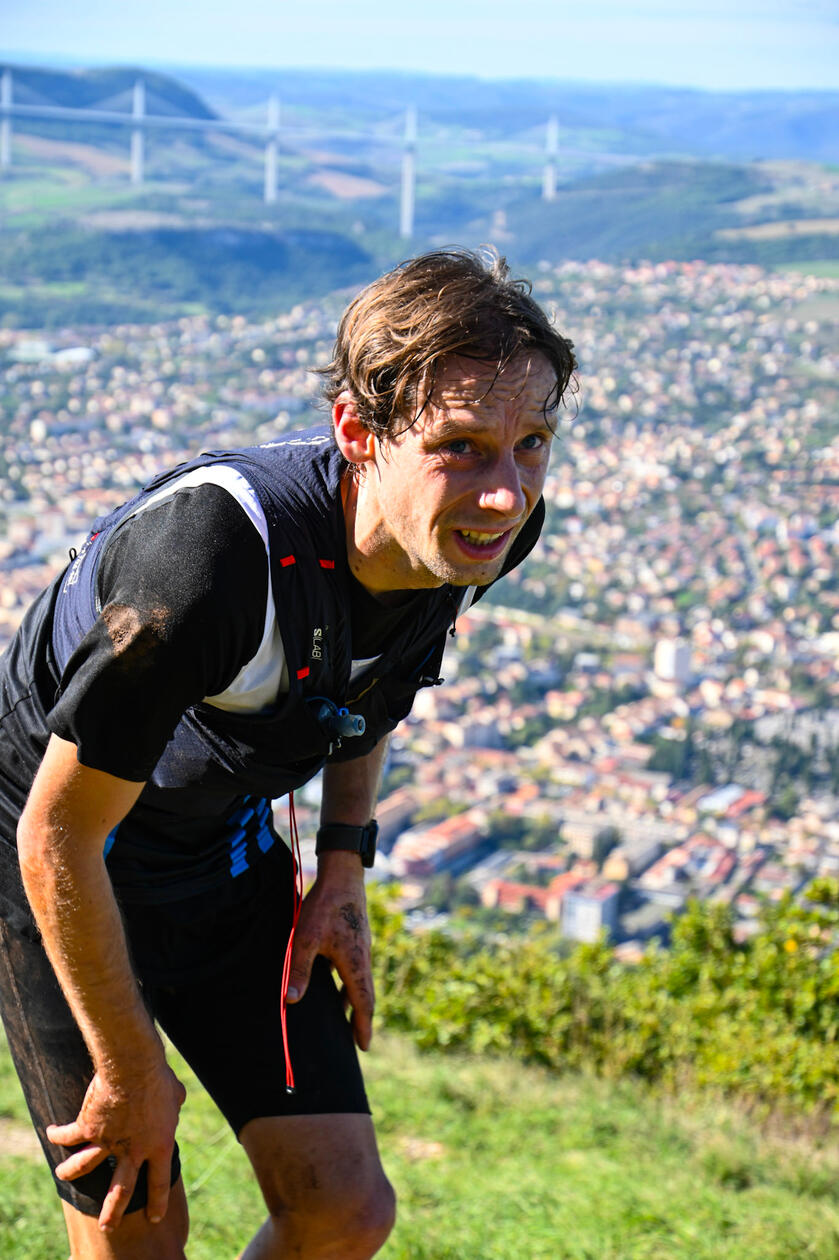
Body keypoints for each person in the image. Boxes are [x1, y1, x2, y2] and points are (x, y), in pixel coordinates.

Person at [0, 247, 576, 1259]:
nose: (505, 491)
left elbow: (378, 677)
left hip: (211, 850)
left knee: (344, 1213)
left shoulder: (471, 534)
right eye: (462, 446)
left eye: (531, 442)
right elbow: (54, 836)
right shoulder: (208, 564)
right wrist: (131, 1070)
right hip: (45, 851)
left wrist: (341, 864)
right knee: (135, 1227)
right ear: (358, 432)